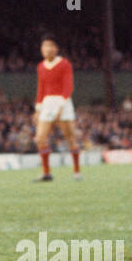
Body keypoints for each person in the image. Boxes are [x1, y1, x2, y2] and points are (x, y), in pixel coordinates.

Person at [33, 36, 80, 181]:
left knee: (70, 137)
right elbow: (41, 88)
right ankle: (46, 173)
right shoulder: (41, 66)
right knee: (40, 138)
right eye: (43, 47)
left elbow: (68, 86)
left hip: (62, 101)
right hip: (47, 103)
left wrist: (61, 106)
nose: (46, 49)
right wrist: (38, 108)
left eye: (49, 46)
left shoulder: (64, 64)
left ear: (55, 49)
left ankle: (76, 171)